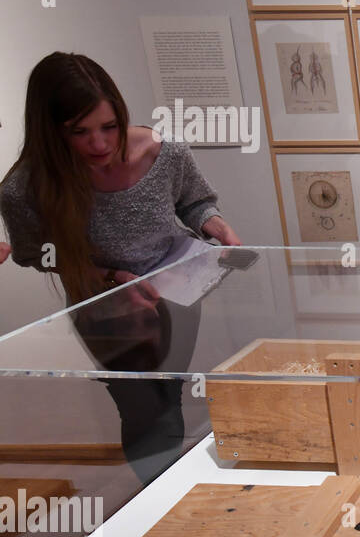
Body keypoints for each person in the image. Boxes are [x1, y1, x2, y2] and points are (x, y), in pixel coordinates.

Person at [0, 52, 241, 481]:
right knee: (143, 408)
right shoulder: (25, 188)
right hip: (104, 305)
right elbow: (33, 252)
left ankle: (177, 498)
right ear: (52, 132)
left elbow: (195, 202)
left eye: (109, 127)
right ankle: (164, 504)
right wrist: (108, 278)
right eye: (80, 132)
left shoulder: (161, 152)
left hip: (178, 288)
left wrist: (216, 225)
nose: (100, 144)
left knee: (169, 393)